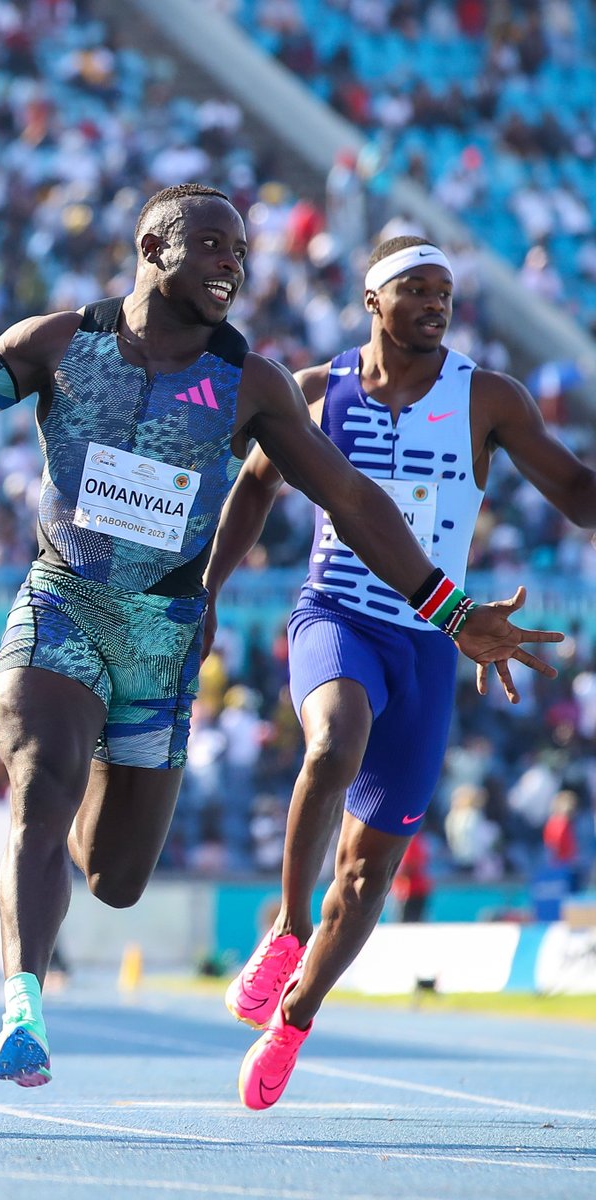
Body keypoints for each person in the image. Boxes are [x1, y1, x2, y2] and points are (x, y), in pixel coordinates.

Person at [0, 191, 559, 1089]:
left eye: (239, 252)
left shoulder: (253, 384)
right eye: (210, 245)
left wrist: (449, 611)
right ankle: (23, 1004)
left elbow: (353, 501)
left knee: (118, 876)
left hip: (161, 642)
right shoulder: (60, 345)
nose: (231, 265)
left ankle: (72, 826)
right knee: (41, 784)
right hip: (63, 604)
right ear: (151, 247)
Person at [203, 233, 595, 1111]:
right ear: (372, 300)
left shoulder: (487, 398)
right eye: (415, 289)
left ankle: (296, 1019)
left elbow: (577, 496)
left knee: (368, 871)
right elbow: (257, 487)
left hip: (429, 644)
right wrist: (210, 593)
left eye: (445, 293)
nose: (435, 305)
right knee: (332, 743)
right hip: (335, 616)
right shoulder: (316, 392)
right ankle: (288, 931)